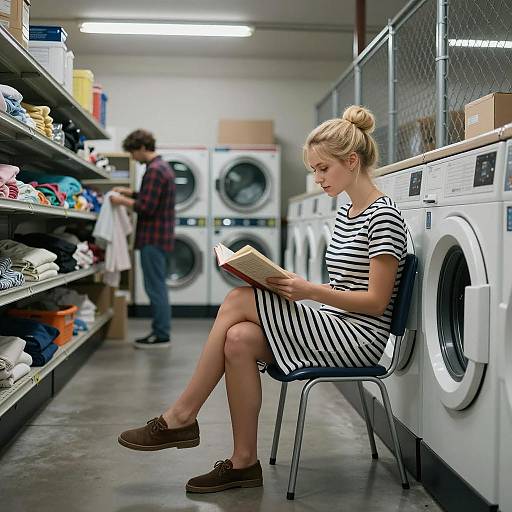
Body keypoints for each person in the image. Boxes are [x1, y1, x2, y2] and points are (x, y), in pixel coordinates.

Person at [117, 106, 407, 493]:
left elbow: (375, 302)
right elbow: (340, 288)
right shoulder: (346, 213)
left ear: (352, 161)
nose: (317, 178)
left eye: (323, 168)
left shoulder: (383, 215)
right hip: (334, 324)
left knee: (239, 299)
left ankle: (182, 416)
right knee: (237, 339)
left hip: (358, 340)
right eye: (314, 170)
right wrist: (292, 284)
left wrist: (307, 290)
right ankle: (243, 463)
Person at [111, 129, 176, 349]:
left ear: (141, 148)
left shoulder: (155, 170)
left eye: (132, 152)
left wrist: (119, 201)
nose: (132, 157)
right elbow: (150, 197)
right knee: (158, 285)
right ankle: (160, 332)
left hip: (153, 238)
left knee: (155, 287)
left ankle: (161, 335)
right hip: (160, 237)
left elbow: (146, 207)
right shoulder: (161, 167)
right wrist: (130, 193)